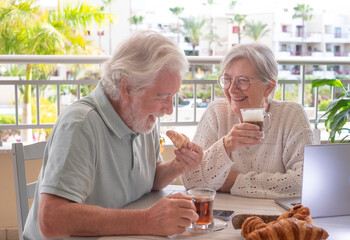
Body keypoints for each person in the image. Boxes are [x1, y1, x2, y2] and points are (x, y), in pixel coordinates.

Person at [24, 30, 203, 240]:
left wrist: (177, 167)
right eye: (162, 96)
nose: (169, 109)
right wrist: (147, 221)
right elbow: (52, 220)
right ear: (127, 88)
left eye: (173, 96)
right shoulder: (81, 125)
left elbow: (148, 179)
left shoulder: (142, 118)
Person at [182, 42, 314, 199]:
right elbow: (191, 181)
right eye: (227, 79)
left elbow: (306, 182)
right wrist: (226, 145)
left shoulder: (291, 115)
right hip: (223, 215)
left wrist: (233, 182)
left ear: (269, 87)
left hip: (275, 218)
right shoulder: (216, 112)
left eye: (243, 81)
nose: (231, 89)